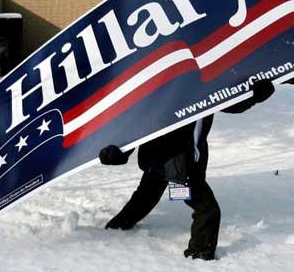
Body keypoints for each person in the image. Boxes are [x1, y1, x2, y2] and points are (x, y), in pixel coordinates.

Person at [98, 79, 275, 261]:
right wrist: (119, 152)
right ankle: (199, 256)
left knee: (146, 196)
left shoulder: (205, 84)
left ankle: (116, 228)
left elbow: (228, 102)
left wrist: (254, 95)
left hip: (173, 161)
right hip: (178, 165)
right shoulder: (159, 87)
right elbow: (138, 121)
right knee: (207, 210)